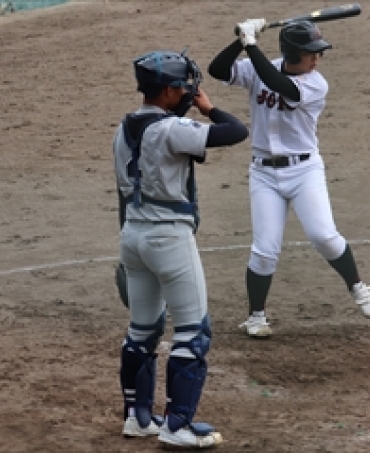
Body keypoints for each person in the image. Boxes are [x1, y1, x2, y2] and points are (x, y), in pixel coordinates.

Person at [208, 19, 370, 338]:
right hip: (264, 174)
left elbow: (279, 85)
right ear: (290, 53)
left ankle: (357, 286)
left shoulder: (316, 84)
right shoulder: (262, 67)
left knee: (324, 236)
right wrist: (241, 40)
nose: (316, 59)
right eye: (310, 53)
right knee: (264, 250)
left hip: (304, 171)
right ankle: (256, 317)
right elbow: (217, 70)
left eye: (318, 52)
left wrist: (251, 45)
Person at [113, 50, 248, 449]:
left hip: (133, 236)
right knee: (193, 333)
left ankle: (138, 418)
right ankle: (178, 425)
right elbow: (235, 130)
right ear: (168, 91)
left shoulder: (122, 129)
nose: (189, 91)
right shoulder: (173, 129)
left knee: (142, 330)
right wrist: (208, 108)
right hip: (169, 239)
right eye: (184, 87)